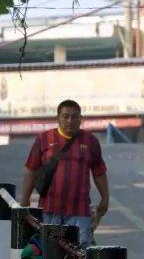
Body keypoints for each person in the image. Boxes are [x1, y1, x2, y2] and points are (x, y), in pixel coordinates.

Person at [20, 100, 109, 249]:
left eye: (75, 117)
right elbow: (31, 170)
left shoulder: (90, 141)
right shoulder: (44, 139)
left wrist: (105, 199)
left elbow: (99, 172)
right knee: (51, 252)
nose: (70, 121)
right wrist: (25, 199)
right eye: (65, 116)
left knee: (79, 253)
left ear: (81, 118)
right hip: (50, 210)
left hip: (80, 212)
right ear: (58, 118)